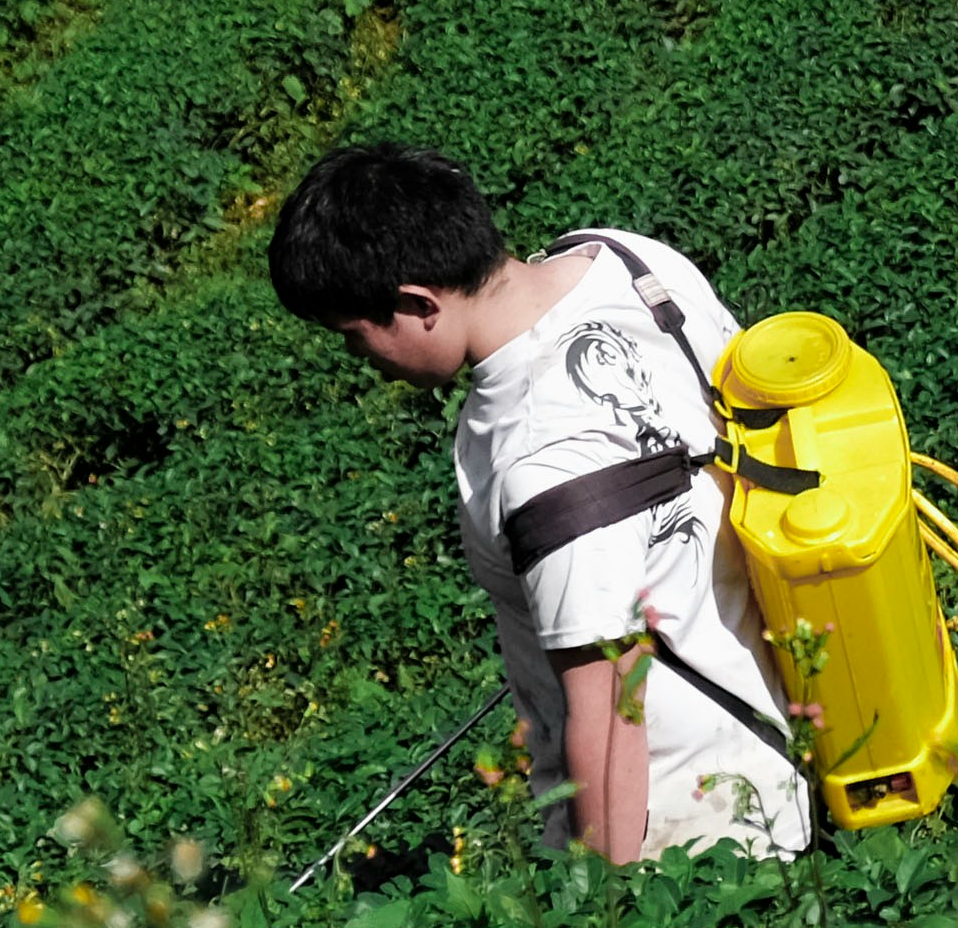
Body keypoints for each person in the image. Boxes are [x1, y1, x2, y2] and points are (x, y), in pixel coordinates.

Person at [267, 143, 814, 863]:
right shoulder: (626, 261)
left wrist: (603, 923)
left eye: (353, 337)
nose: (357, 360)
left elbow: (612, 709)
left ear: (415, 305)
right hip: (796, 731)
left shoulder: (541, 456)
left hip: (705, 844)